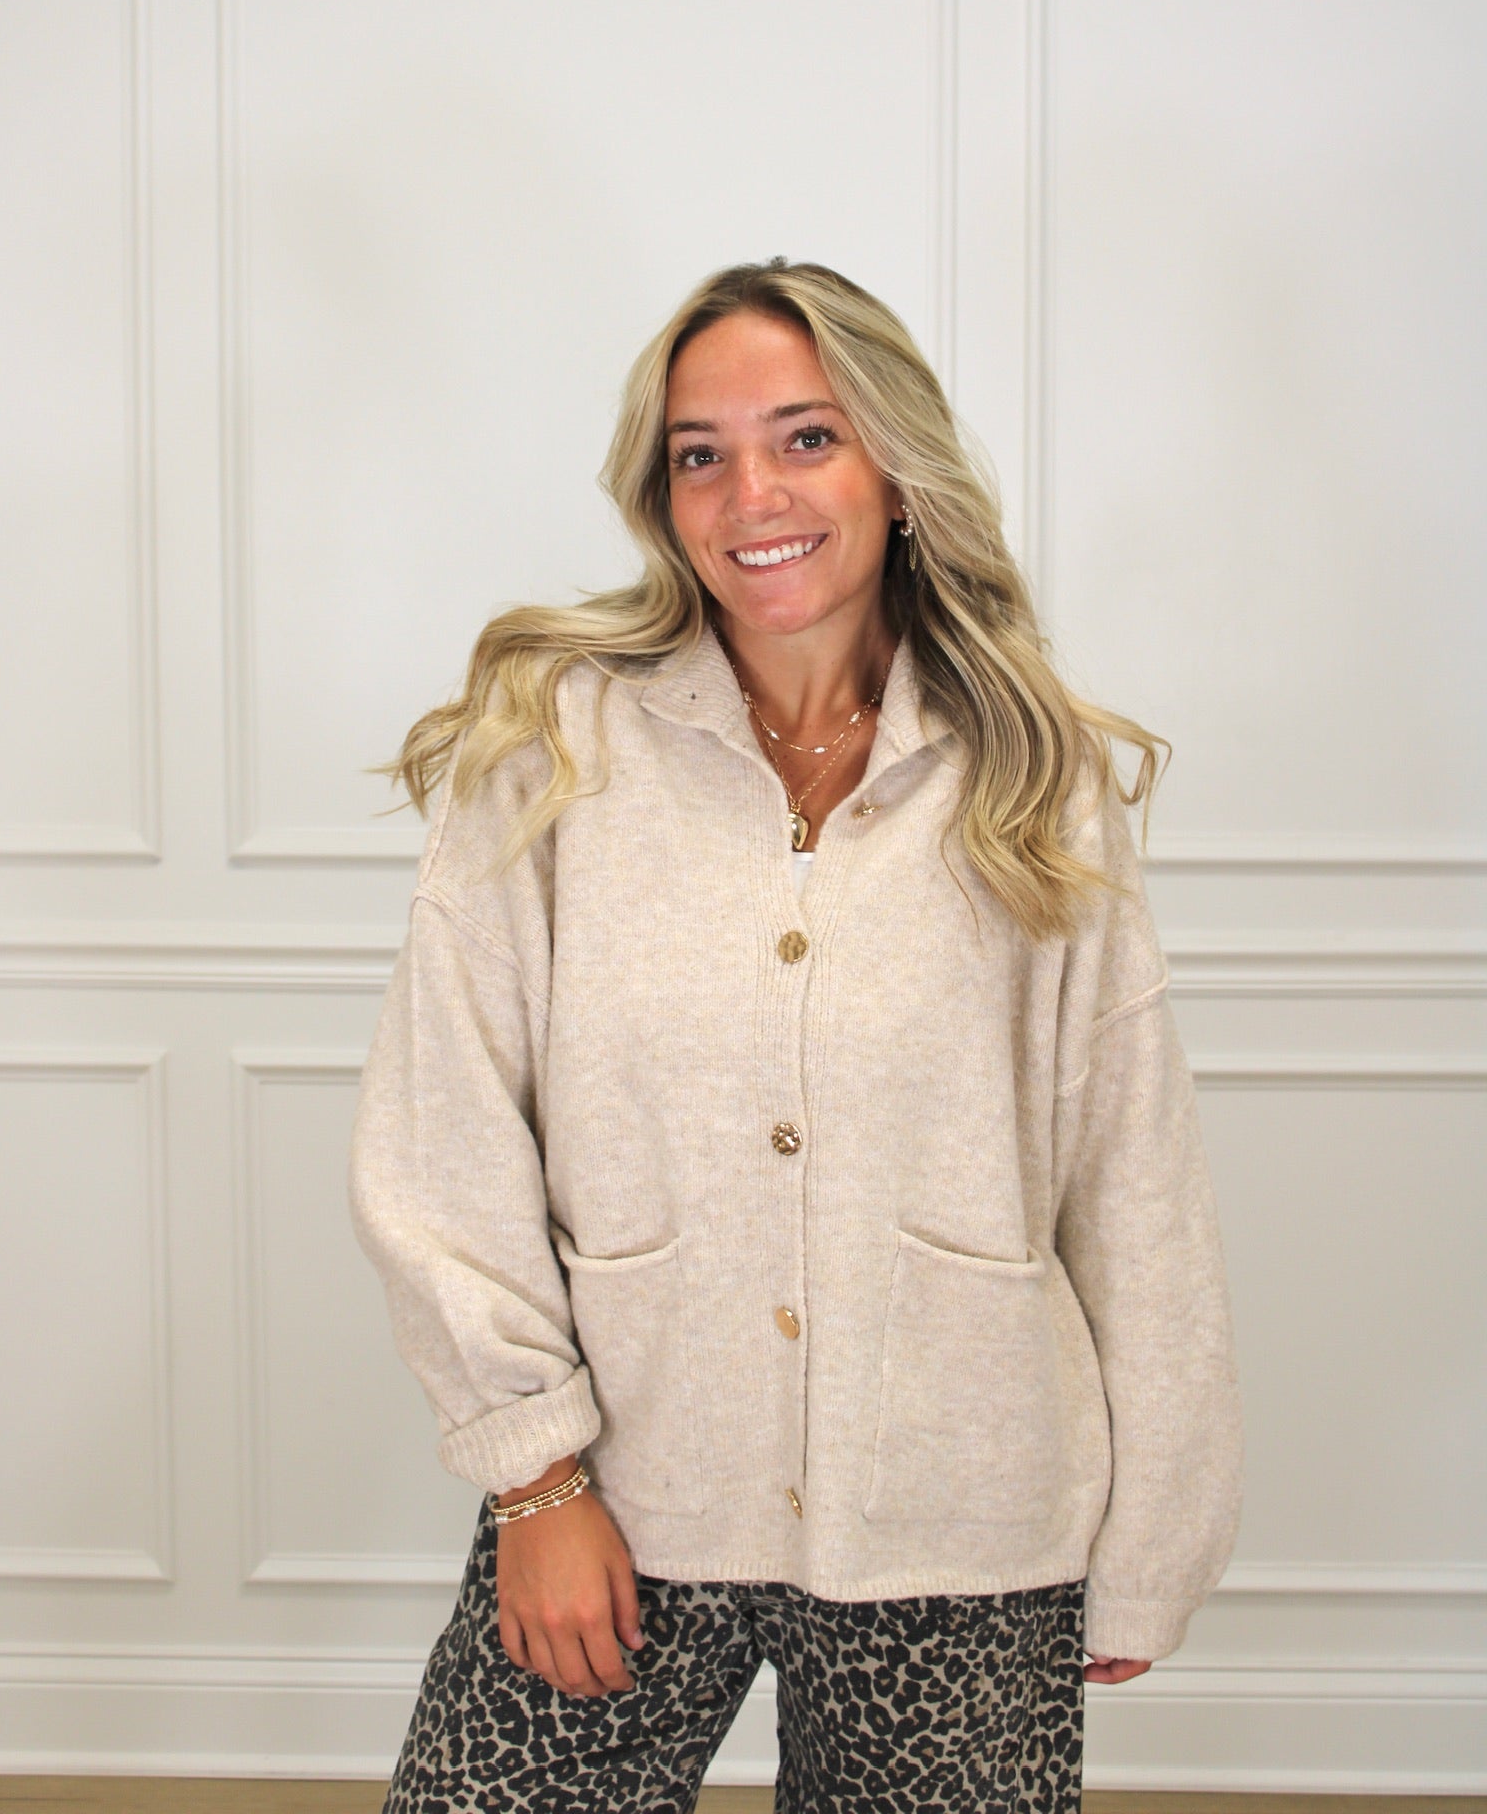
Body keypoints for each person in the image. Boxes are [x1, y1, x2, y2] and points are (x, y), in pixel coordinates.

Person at [349, 258, 1242, 1813]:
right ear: (662, 495)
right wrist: (534, 1479)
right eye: (700, 453)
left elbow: (1131, 1177)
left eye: (806, 438)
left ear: (895, 467)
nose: (750, 493)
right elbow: (443, 1142)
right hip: (624, 1491)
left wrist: (1157, 1533)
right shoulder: (554, 751)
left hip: (962, 1519)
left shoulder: (1034, 777)